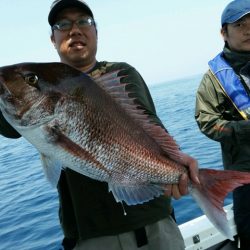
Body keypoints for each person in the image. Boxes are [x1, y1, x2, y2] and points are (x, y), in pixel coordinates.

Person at [0, 1, 199, 249]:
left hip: (154, 225)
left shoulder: (122, 74)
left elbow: (150, 125)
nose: (74, 30)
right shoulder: (39, 89)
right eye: (63, 24)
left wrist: (176, 162)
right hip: (91, 235)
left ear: (96, 31)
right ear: (53, 38)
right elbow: (9, 124)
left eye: (84, 21)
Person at [195, 0, 250, 248]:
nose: (248, 30)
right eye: (240, 25)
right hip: (245, 177)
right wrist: (243, 129)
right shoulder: (214, 80)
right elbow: (206, 122)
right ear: (224, 33)